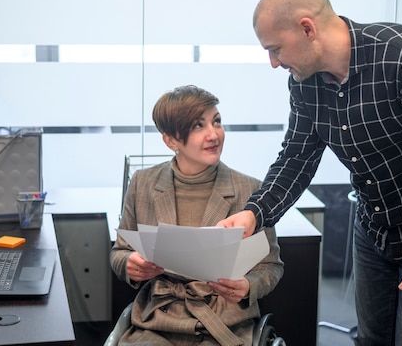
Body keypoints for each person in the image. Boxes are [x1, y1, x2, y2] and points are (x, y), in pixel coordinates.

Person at [217, 0, 402, 346]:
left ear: (307, 29)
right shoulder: (305, 83)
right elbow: (297, 157)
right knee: (370, 340)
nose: (273, 63)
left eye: (275, 49)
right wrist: (255, 213)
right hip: (374, 228)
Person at [110, 85, 284, 346]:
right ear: (170, 140)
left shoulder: (251, 190)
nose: (213, 134)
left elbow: (271, 266)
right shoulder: (143, 182)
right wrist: (130, 265)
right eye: (198, 126)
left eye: (217, 122)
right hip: (157, 320)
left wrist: (248, 286)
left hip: (225, 321)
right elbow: (120, 251)